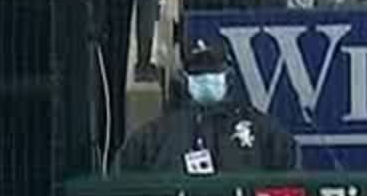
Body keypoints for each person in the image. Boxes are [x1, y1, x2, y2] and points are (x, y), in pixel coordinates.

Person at [117, 38, 297, 176]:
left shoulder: (261, 130)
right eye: (199, 74)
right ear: (185, 79)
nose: (207, 79)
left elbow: (295, 183)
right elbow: (119, 188)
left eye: (213, 72)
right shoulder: (156, 135)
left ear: (228, 76)